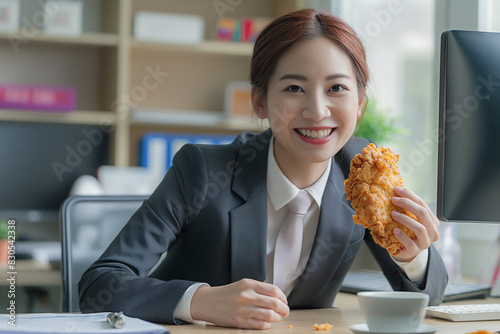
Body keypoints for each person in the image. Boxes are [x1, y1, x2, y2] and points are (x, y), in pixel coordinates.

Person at [79, 9, 448, 330]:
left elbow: (429, 298)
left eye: (336, 87)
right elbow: (99, 286)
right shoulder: (204, 171)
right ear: (259, 101)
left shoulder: (363, 177)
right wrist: (201, 302)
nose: (317, 111)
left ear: (360, 104)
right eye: (293, 88)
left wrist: (412, 257)